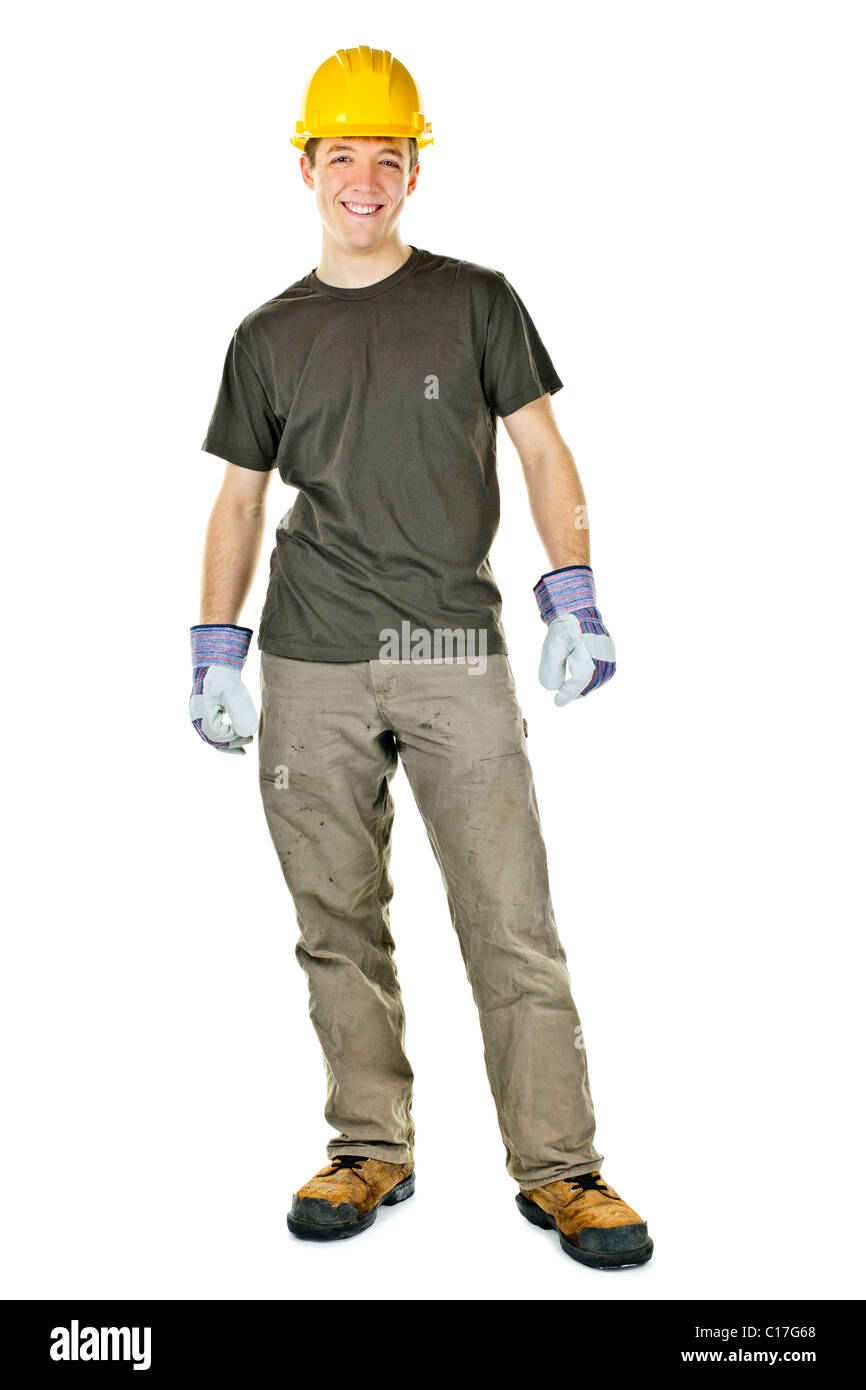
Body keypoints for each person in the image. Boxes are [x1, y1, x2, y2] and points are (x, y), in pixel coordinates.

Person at [190, 45, 652, 1270]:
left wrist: (573, 593)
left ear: (412, 170)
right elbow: (238, 504)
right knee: (335, 919)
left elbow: (544, 451)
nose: (362, 177)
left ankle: (562, 1171)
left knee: (509, 918)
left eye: (384, 156)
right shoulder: (266, 335)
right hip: (311, 661)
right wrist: (214, 647)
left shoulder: (476, 299)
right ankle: (367, 1146)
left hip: (453, 650)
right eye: (339, 154)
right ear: (305, 165)